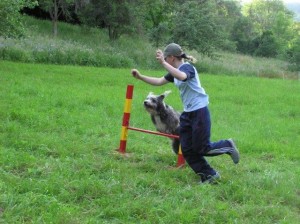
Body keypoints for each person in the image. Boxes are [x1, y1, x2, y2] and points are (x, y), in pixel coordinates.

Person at [131, 43, 240, 184]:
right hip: (187, 114)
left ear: (171, 58)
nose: (164, 60)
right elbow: (158, 81)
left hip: (199, 111)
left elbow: (183, 77)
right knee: (187, 148)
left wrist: (163, 63)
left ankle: (228, 145)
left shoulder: (187, 68)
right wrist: (140, 77)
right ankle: (209, 175)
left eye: (166, 58)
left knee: (202, 147)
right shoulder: (174, 72)